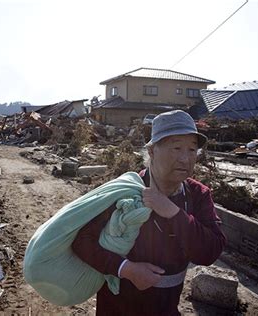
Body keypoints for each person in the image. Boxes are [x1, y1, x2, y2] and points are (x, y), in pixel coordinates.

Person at [72, 110, 226, 315]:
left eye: (192, 150)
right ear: (152, 151)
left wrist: (172, 212)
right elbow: (81, 240)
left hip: (166, 308)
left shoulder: (197, 195)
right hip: (117, 307)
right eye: (176, 148)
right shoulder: (125, 191)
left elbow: (210, 252)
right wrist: (125, 269)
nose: (185, 158)